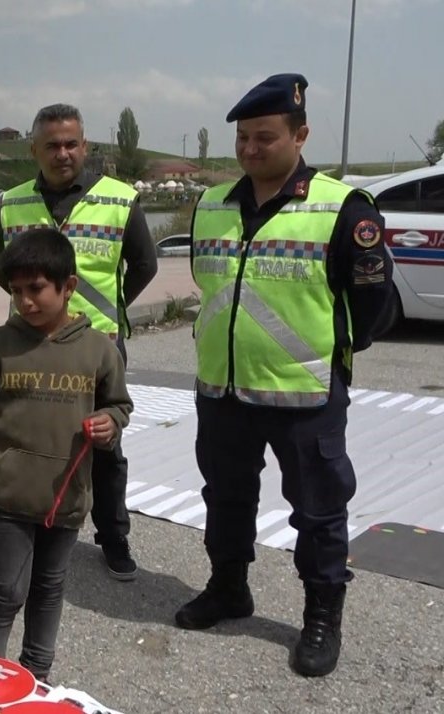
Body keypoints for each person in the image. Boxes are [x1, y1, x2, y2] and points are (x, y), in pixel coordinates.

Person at [175, 74, 393, 678]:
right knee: (225, 498)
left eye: (264, 137)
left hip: (305, 394)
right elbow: (208, 283)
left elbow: (374, 305)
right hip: (222, 389)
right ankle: (228, 588)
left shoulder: (341, 209)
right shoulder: (212, 204)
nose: (249, 149)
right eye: (242, 138)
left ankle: (321, 617)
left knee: (319, 513)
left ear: (301, 135)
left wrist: (335, 358)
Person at [0, 228, 132, 682]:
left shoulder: (99, 350)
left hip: (66, 498)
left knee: (49, 589)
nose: (25, 302)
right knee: (5, 591)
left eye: (36, 289)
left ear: (68, 286)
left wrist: (110, 424)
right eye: (16, 291)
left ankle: (36, 676)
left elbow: (118, 405)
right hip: (4, 496)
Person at [0, 103, 157, 582]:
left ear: (85, 146)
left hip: (97, 345)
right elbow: (3, 270)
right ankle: (25, 523)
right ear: (34, 150)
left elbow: (144, 266)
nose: (62, 154)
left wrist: (110, 310)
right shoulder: (12, 202)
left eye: (71, 144)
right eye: (52, 146)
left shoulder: (121, 199)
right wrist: (34, 314)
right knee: (24, 437)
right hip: (26, 346)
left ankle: (113, 537)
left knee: (103, 446)